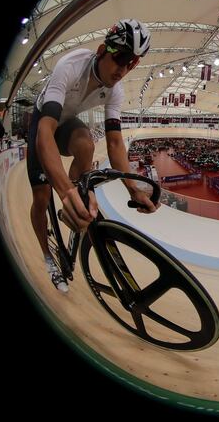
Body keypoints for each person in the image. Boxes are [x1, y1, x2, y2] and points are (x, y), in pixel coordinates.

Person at [27, 18, 159, 292]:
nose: (123, 69)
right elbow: (46, 131)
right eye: (120, 58)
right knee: (41, 197)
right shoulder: (71, 67)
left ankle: (73, 203)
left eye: (131, 63)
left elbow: (114, 144)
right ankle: (48, 256)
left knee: (87, 145)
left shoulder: (115, 91)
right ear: (101, 51)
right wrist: (63, 190)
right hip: (45, 121)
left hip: (69, 123)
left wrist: (132, 189)